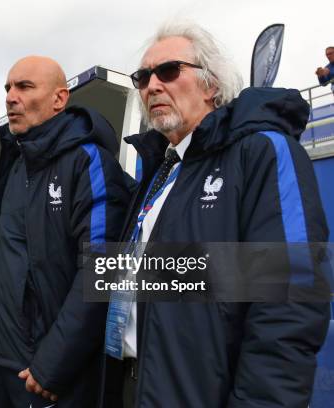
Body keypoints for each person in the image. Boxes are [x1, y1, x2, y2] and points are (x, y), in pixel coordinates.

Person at [104, 22, 331, 407]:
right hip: (130, 383)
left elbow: (289, 304)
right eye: (142, 77)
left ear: (211, 85)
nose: (152, 86)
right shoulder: (159, 171)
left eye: (169, 71)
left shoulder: (262, 151)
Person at [0, 56, 133, 408]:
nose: (10, 97)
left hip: (45, 376)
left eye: (25, 87)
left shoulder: (87, 161)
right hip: (0, 362)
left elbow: (101, 270)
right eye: (8, 88)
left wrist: (51, 365)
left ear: (59, 99)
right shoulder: (16, 165)